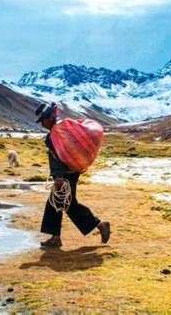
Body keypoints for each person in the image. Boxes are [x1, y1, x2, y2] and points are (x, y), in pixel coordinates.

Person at [35, 102, 110, 247]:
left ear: (49, 118)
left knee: (67, 204)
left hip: (65, 175)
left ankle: (100, 225)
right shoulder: (65, 127)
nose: (42, 124)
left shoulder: (54, 136)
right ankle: (55, 237)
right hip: (72, 171)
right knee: (56, 203)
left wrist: (59, 177)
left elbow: (58, 157)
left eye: (43, 120)